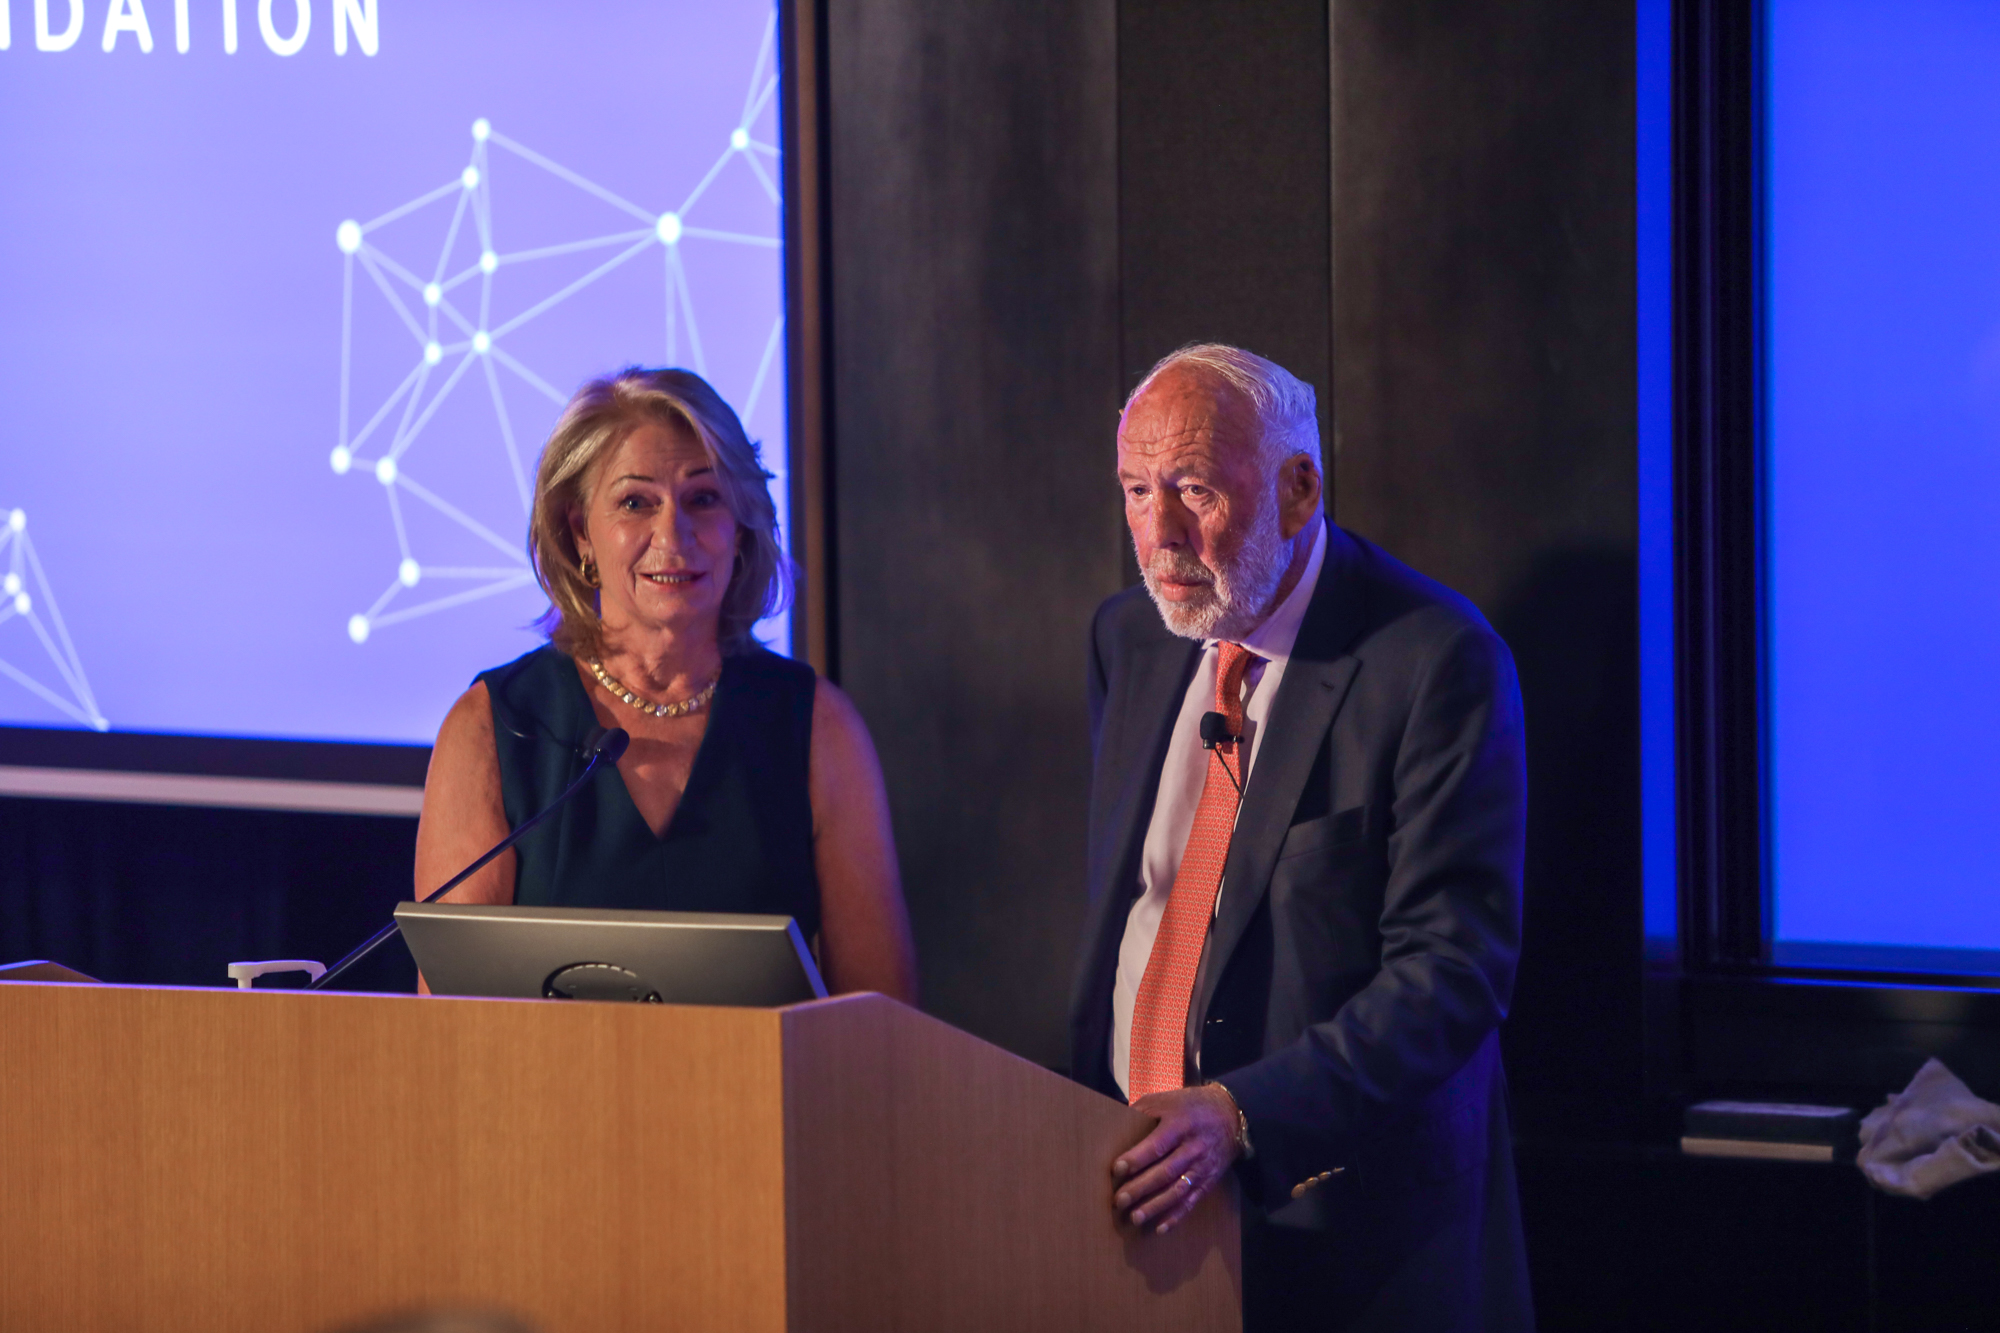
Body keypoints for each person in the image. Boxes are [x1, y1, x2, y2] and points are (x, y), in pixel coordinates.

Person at [1070, 344, 1532, 1329]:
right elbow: (1141, 908)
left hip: (1343, 1239)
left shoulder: (1433, 663)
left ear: (1297, 488)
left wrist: (1240, 1113)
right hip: (1136, 1210)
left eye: (1192, 490)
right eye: (1135, 489)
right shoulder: (1128, 638)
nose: (1157, 535)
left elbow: (1452, 973)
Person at [417, 367, 917, 1003]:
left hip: (759, 1103)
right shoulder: (493, 725)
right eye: (635, 502)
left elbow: (881, 1026)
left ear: (741, 529)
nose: (673, 534)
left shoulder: (816, 726)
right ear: (580, 534)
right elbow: (446, 1021)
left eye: (704, 498)